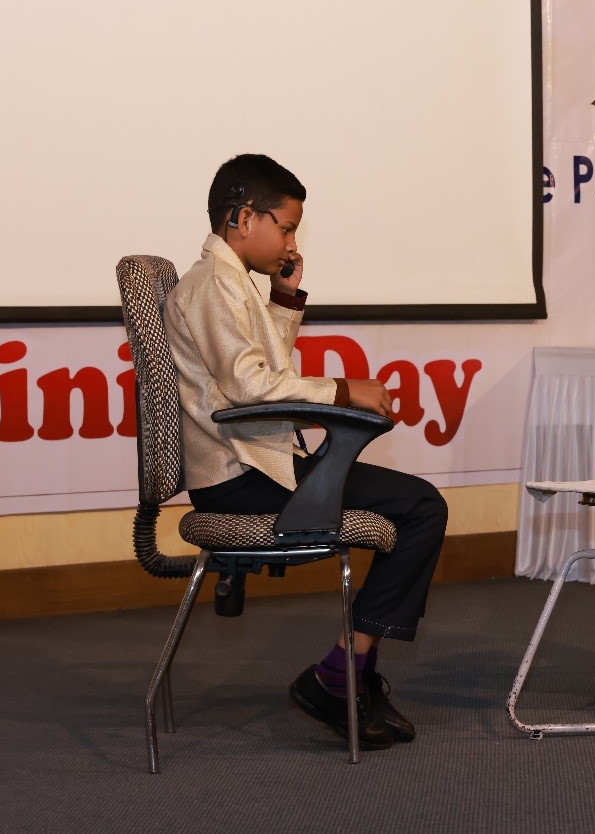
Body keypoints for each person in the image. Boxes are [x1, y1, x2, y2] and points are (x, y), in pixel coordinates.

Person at [163, 153, 449, 751]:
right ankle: (340, 676)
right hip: (243, 477)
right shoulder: (213, 284)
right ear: (244, 217)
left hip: (257, 464)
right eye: (287, 227)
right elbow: (250, 386)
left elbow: (264, 370)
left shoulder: (229, 282)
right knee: (422, 509)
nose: (292, 242)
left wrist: (285, 300)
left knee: (418, 507)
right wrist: (344, 390)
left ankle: (348, 673)